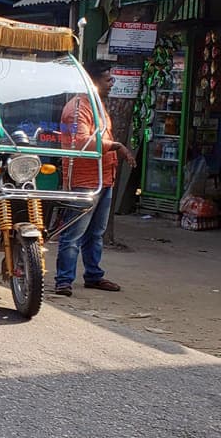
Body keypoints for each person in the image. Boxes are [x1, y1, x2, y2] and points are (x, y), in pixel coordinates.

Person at [54, 60, 136, 297]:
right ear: (93, 81)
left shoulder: (96, 104)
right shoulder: (78, 108)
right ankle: (64, 280)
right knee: (74, 233)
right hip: (85, 179)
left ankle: (93, 275)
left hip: (103, 177)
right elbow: (80, 142)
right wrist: (116, 146)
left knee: (95, 233)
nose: (112, 83)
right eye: (108, 79)